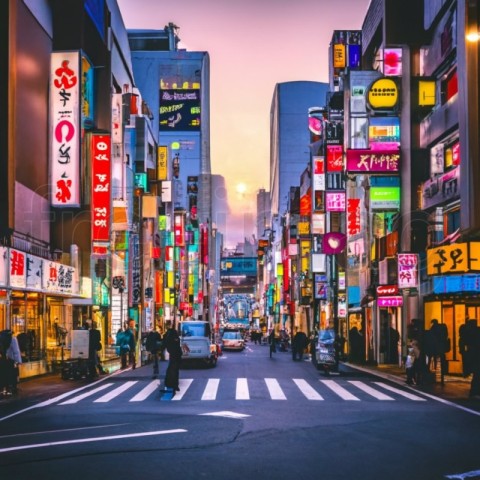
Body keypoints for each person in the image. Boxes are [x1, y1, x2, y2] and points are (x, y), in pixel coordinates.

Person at [162, 320, 185, 392]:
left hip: (174, 354)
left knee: (172, 369)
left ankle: (171, 384)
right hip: (175, 354)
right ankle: (174, 385)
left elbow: (165, 345)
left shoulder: (169, 334)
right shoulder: (172, 333)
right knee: (174, 370)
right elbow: (176, 344)